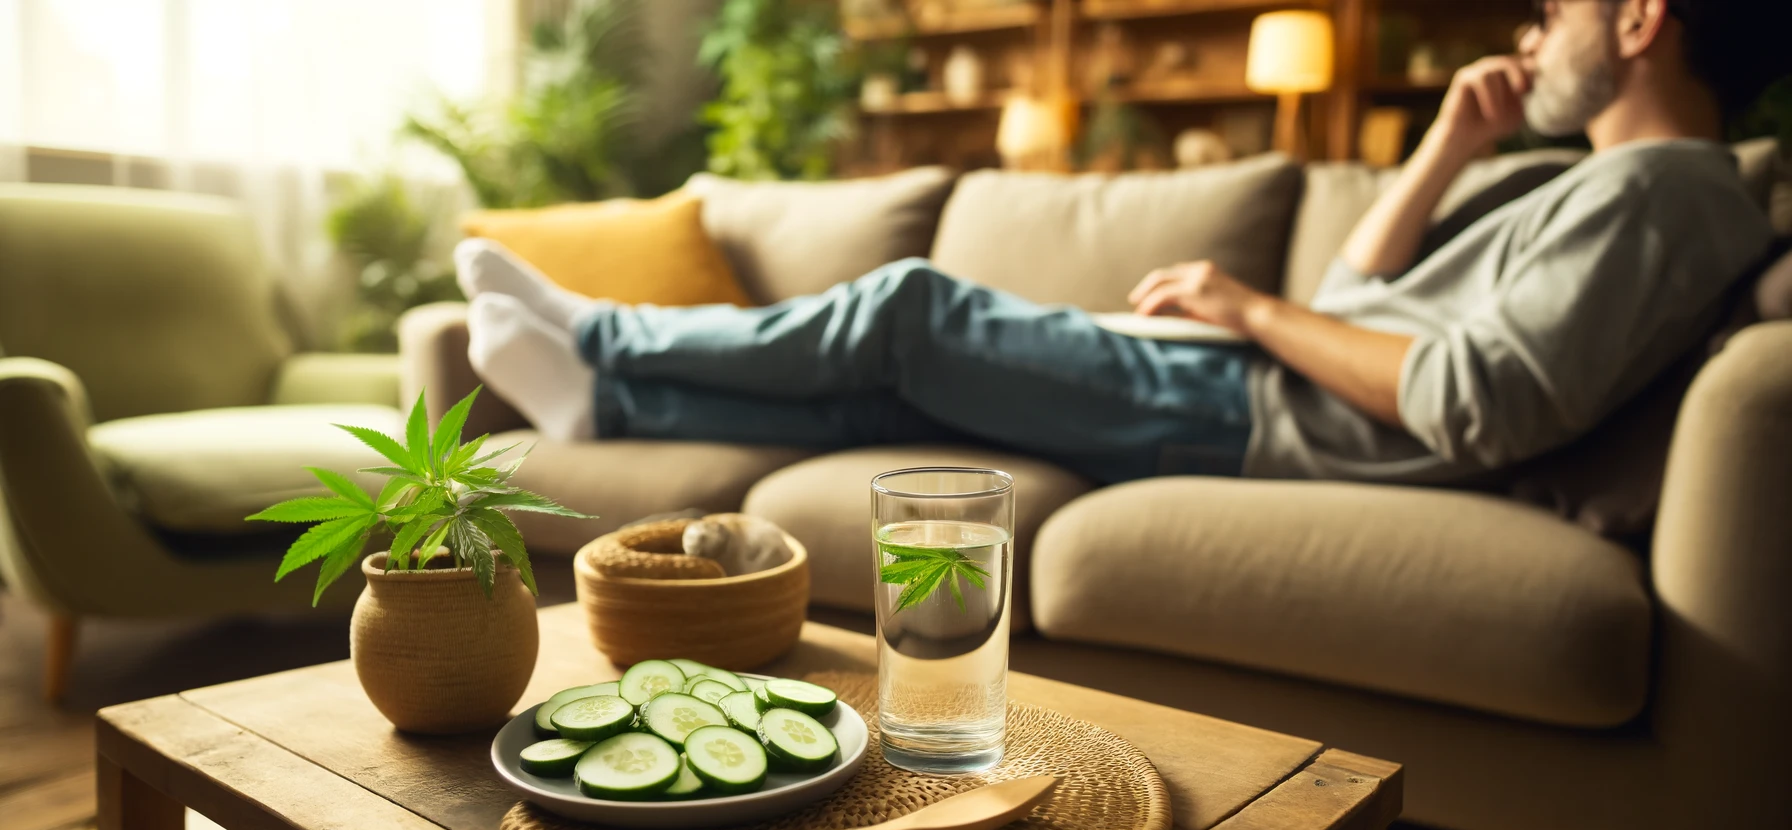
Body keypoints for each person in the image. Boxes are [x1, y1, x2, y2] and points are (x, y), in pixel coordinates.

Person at [455, 0, 1785, 485]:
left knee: (916, 313)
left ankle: (607, 332)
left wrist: (1244, 309)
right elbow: (1359, 298)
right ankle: (606, 396)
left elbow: (1472, 400)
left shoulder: (1668, 194)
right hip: (1261, 386)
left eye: (1560, 6)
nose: (1533, 32)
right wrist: (1447, 146)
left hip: (1258, 412)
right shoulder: (1585, 178)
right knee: (883, 385)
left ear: (1641, 20)